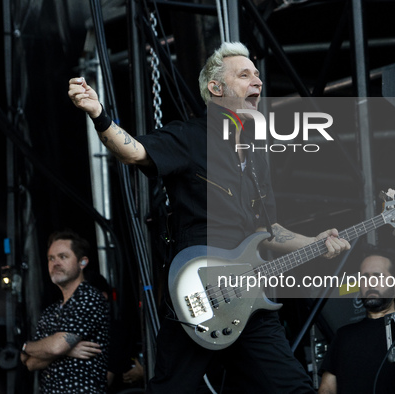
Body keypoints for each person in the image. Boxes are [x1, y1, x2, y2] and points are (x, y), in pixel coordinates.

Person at [68, 41, 350, 393]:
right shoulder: (190, 136)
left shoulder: (256, 154)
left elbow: (268, 230)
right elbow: (135, 152)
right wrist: (100, 115)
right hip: (198, 286)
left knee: (292, 387)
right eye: (244, 75)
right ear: (216, 89)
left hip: (250, 296)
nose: (257, 82)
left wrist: (315, 242)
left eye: (258, 75)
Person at [318, 250, 395, 394]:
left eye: (378, 276)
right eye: (364, 277)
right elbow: (326, 388)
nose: (370, 282)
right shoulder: (344, 335)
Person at [20, 230, 109, 393]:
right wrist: (68, 350)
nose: (55, 263)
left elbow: (55, 347)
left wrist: (29, 347)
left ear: (82, 262)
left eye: (63, 257)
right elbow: (29, 363)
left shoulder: (89, 298)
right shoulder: (51, 311)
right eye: (51, 258)